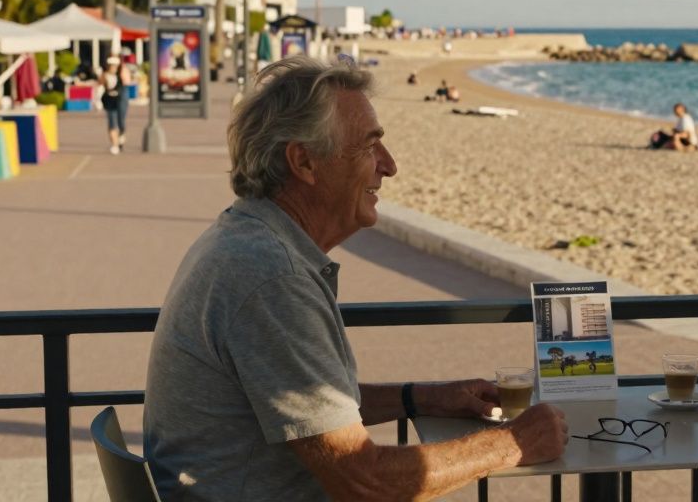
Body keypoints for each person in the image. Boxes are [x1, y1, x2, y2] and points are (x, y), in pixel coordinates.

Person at [144, 56, 568, 502]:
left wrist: (425, 399)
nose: (389, 165)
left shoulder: (248, 240)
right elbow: (363, 481)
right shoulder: (271, 278)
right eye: (369, 147)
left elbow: (310, 411)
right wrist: (515, 443)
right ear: (304, 162)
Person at [98, 55, 132, 155]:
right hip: (109, 101)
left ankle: (121, 134)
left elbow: (127, 82)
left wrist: (123, 71)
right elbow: (100, 86)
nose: (112, 67)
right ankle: (115, 144)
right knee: (112, 121)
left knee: (121, 120)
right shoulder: (104, 75)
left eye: (114, 65)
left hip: (120, 99)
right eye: (111, 65)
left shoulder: (121, 73)